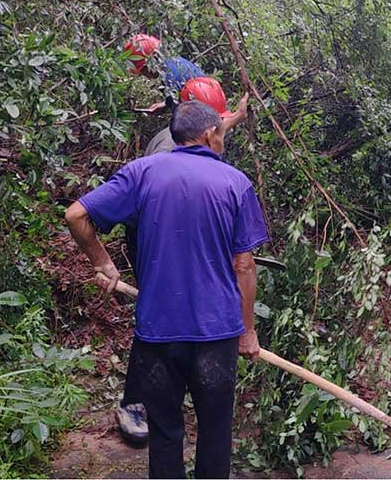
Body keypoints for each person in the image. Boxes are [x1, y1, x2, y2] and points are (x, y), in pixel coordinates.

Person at [65, 101, 269, 478]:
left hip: (158, 334)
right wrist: (249, 331)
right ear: (209, 135)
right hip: (217, 333)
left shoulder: (142, 172)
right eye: (221, 132)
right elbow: (244, 265)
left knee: (165, 434)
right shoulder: (235, 183)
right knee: (214, 434)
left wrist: (102, 262)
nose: (223, 139)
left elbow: (76, 215)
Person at [117, 76, 249, 446]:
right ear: (207, 132)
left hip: (175, 232)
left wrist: (236, 115)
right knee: (159, 317)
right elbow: (166, 201)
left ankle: (169, 391)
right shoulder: (162, 156)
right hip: (157, 236)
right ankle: (135, 403)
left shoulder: (187, 131)